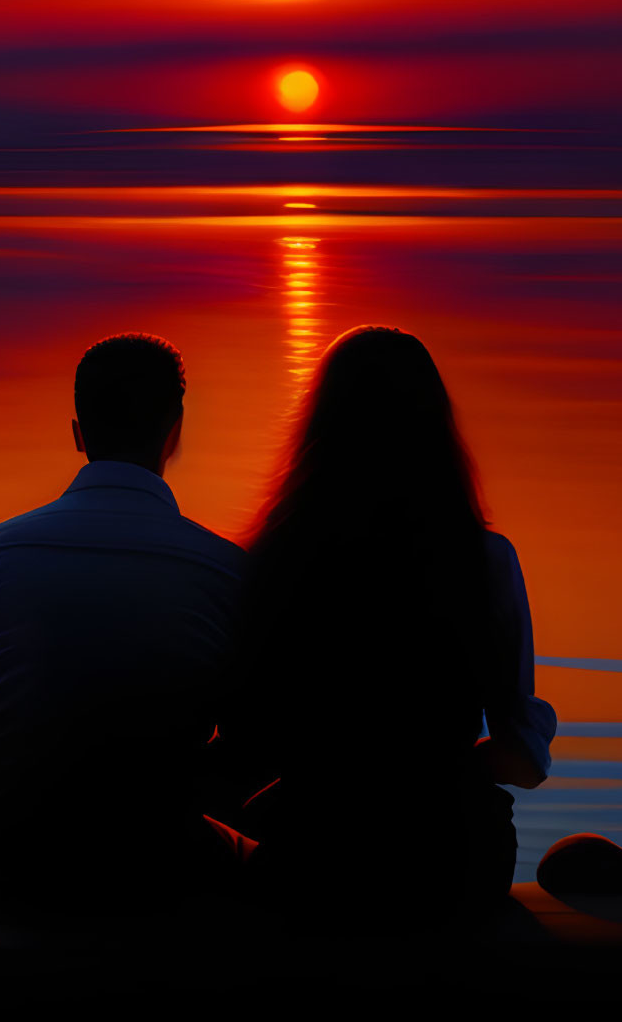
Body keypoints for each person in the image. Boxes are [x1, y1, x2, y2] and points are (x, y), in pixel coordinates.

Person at [210, 325, 556, 910]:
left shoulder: (268, 562)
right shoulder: (485, 560)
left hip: (314, 860)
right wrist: (438, 764)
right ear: (436, 427)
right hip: (456, 862)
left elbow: (243, 751)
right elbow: (521, 761)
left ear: (319, 429)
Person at [0, 333, 254, 912]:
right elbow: (249, 743)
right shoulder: (224, 569)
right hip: (163, 869)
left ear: (77, 432)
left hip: (13, 872)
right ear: (175, 428)